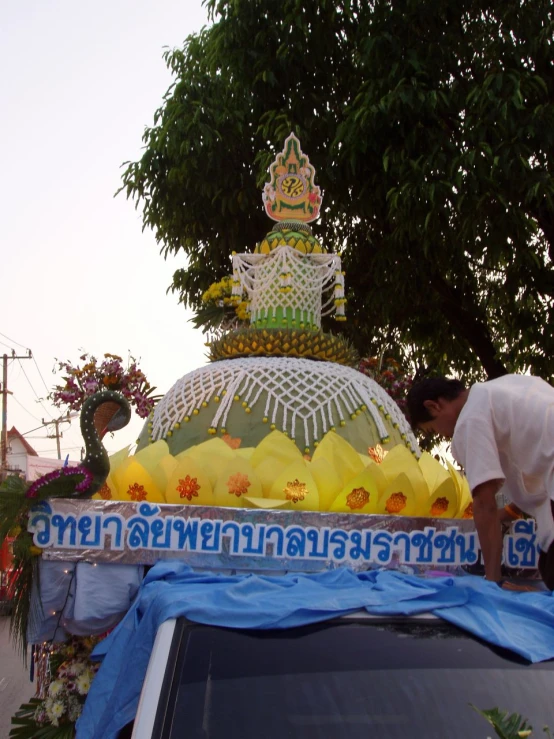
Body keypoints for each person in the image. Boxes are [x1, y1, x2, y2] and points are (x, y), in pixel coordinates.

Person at [406, 375, 554, 589]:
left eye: (432, 429)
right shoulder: (505, 387)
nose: (442, 435)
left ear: (434, 406)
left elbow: (485, 503)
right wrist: (511, 512)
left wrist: (493, 582)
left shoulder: (470, 419)